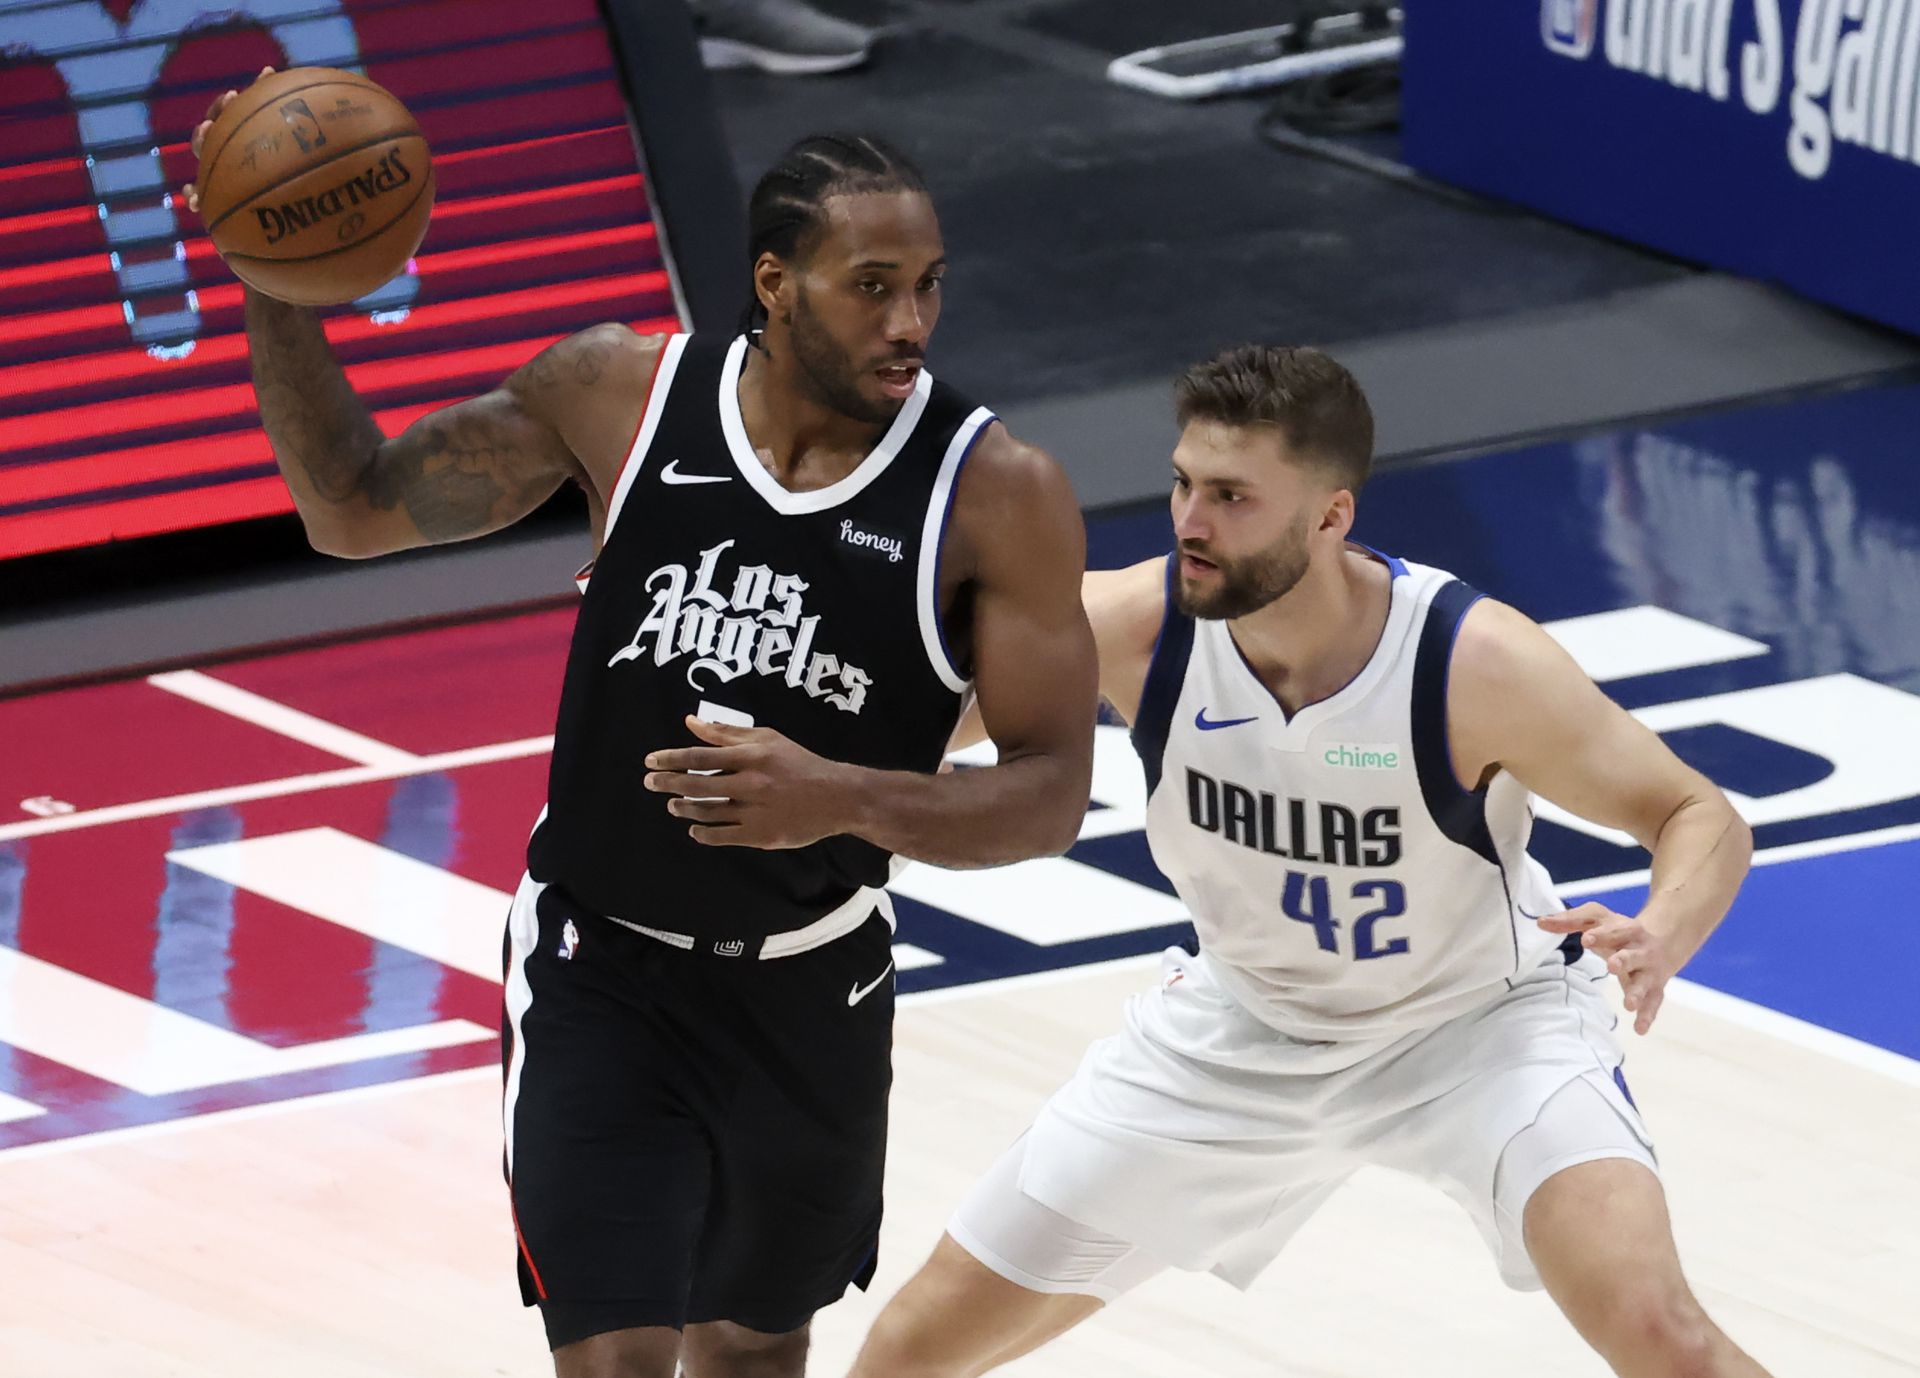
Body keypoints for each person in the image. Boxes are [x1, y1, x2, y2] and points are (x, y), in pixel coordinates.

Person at [184, 102, 1097, 1378]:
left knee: (753, 1354)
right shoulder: (622, 393)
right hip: (597, 971)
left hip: (809, 987)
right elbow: (351, 507)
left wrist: (837, 796)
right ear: (775, 285)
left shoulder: (998, 495)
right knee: (613, 1361)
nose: (911, 323)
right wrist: (270, 285)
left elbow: (1052, 795)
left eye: (928, 287)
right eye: (871, 287)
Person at [849, 345, 1773, 1378]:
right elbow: (899, 731)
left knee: (1658, 1332)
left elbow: (1700, 812)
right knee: (905, 1352)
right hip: (1242, 1030)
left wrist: (1661, 931)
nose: (1191, 522)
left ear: (1331, 517)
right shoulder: (1130, 626)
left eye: (1232, 496)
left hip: (1478, 1029)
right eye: (1183, 484)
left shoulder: (1473, 663)